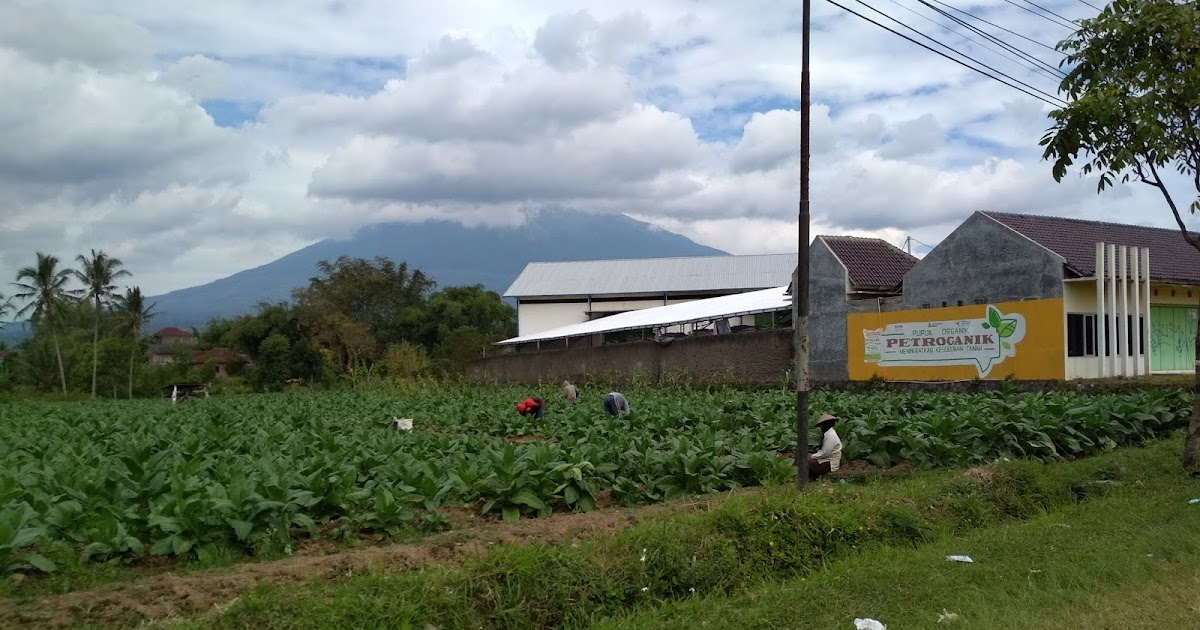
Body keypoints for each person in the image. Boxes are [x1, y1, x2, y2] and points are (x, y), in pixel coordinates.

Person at [809, 414, 843, 481]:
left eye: (821, 425)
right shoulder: (829, 433)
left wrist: (812, 456)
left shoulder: (830, 436)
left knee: (806, 462)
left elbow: (825, 453)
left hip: (830, 463)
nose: (820, 427)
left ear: (825, 425)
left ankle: (809, 480)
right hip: (827, 460)